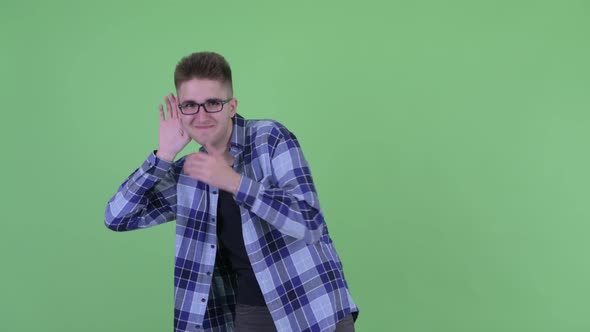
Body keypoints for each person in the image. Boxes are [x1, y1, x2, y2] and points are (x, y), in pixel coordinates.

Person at [104, 51, 359, 332]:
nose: (201, 115)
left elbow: (310, 222)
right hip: (250, 311)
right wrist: (163, 155)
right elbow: (117, 217)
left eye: (212, 103)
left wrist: (236, 183)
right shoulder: (189, 173)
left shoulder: (270, 138)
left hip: (310, 304)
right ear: (180, 111)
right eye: (190, 105)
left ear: (231, 106)